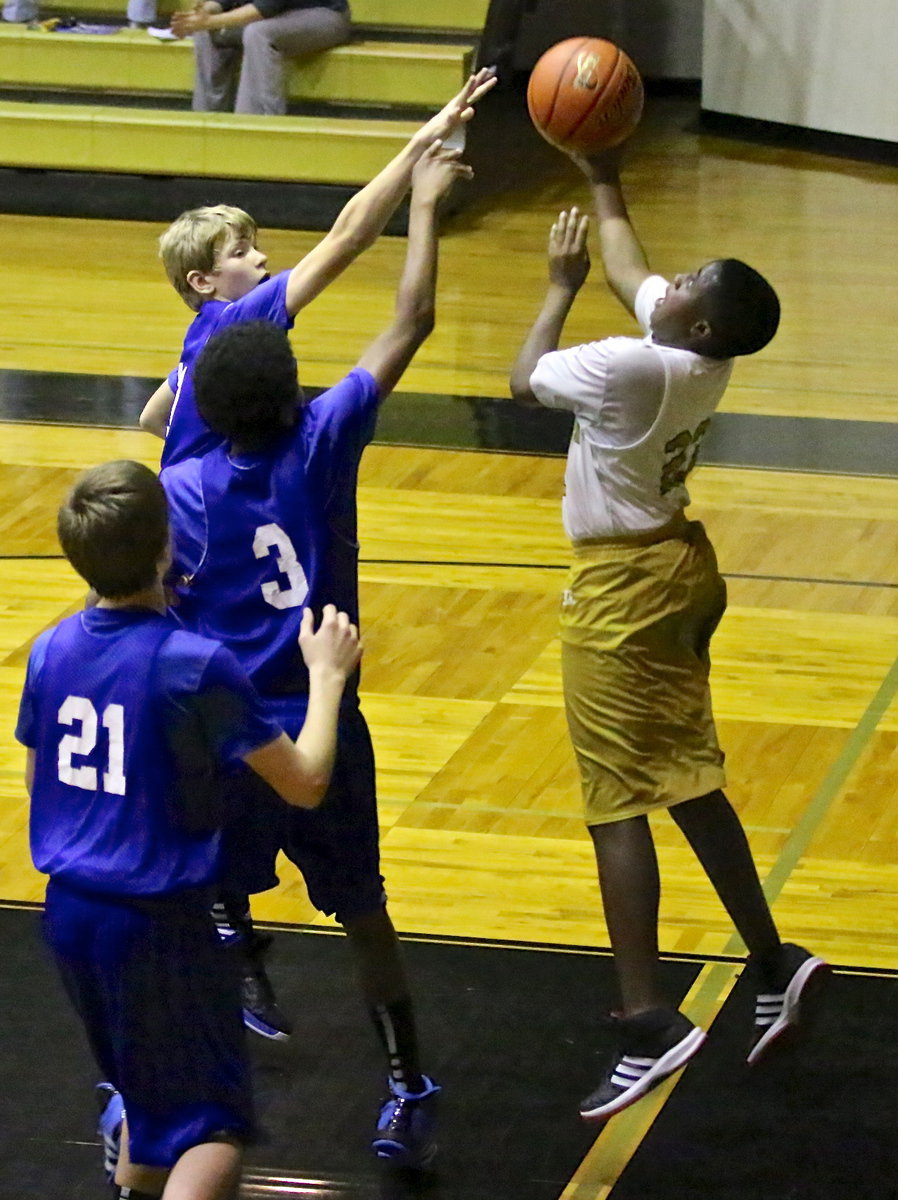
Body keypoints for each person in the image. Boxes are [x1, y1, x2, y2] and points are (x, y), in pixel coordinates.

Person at [158, 140, 467, 1168]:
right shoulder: (327, 436)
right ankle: (407, 1082)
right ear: (294, 388)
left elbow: (153, 597)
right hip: (325, 723)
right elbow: (410, 320)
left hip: (236, 737)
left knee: (201, 900)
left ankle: (185, 1064)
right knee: (365, 912)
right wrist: (423, 207)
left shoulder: (185, 495)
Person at [508, 148, 828, 1122]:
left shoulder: (627, 366)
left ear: (691, 321)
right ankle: (775, 961)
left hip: (622, 592)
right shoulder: (699, 353)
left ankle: (648, 1019)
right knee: (685, 778)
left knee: (615, 803)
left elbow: (523, 379)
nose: (668, 278)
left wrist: (556, 288)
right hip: (680, 563)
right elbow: (630, 264)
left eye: (683, 283)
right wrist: (600, 170)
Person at [15, 459, 361, 1200]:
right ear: (167, 547)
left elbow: (36, 778)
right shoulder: (194, 665)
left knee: (150, 1107)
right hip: (157, 924)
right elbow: (305, 783)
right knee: (210, 1132)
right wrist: (326, 679)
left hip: (69, 914)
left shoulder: (48, 650)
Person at [140, 65, 495, 467]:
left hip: (183, 498)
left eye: (254, 247)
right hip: (214, 504)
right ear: (202, 281)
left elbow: (150, 416)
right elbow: (348, 237)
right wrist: (421, 142)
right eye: (240, 253)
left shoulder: (202, 336)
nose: (261, 258)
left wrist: (200, 461)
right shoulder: (237, 319)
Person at [170, 0, 351, 116]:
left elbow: (266, 7)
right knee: (206, 31)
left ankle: (257, 124)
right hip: (275, 14)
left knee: (258, 33)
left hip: (324, 14)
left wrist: (210, 21)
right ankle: (207, 119)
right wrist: (208, 10)